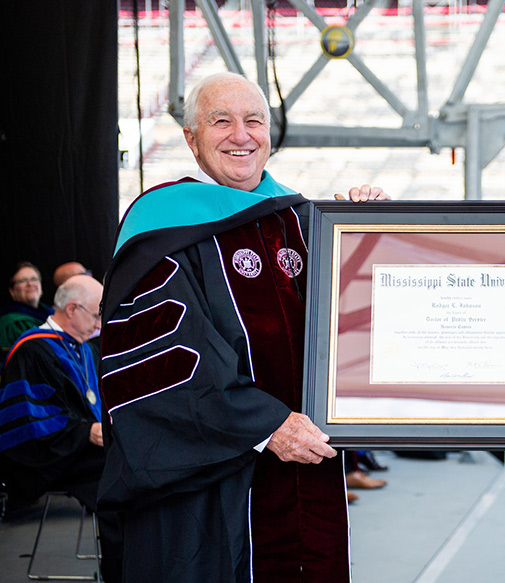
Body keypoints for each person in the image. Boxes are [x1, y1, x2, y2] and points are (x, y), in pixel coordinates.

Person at [97, 71, 388, 583]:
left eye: (253, 120)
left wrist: (373, 237)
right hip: (210, 489)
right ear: (190, 138)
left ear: (269, 133)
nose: (241, 135)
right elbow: (168, 365)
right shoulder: (161, 230)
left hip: (310, 469)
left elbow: (356, 328)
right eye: (221, 121)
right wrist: (266, 425)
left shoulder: (303, 219)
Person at [0, 275, 122, 582]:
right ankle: (120, 570)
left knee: (128, 465)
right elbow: (31, 422)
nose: (99, 324)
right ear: (72, 309)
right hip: (47, 455)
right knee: (121, 479)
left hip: (80, 449)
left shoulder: (84, 348)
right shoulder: (33, 350)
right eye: (97, 315)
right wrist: (85, 432)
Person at [0, 262, 53, 353]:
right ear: (12, 291)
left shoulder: (52, 314)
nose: (30, 284)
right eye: (23, 280)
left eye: (34, 279)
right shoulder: (12, 323)